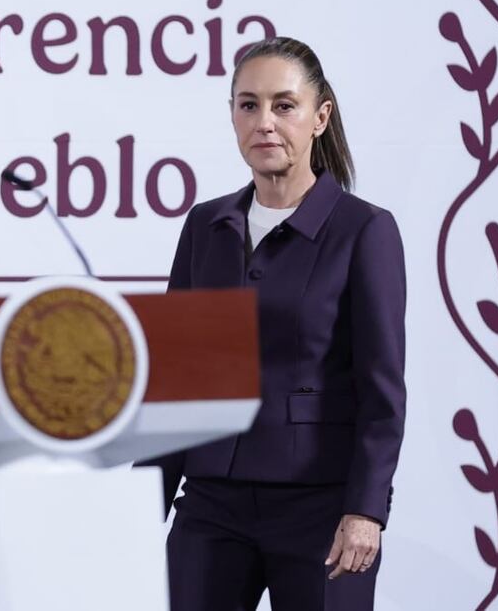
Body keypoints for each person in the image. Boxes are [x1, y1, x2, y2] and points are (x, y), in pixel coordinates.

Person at [138, 37, 406, 611]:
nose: (264, 122)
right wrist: (137, 514)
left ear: (320, 117)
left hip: (323, 509)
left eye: (284, 105)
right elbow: (172, 379)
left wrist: (365, 510)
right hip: (211, 502)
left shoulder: (365, 230)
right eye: (248, 104)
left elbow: (381, 388)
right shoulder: (205, 224)